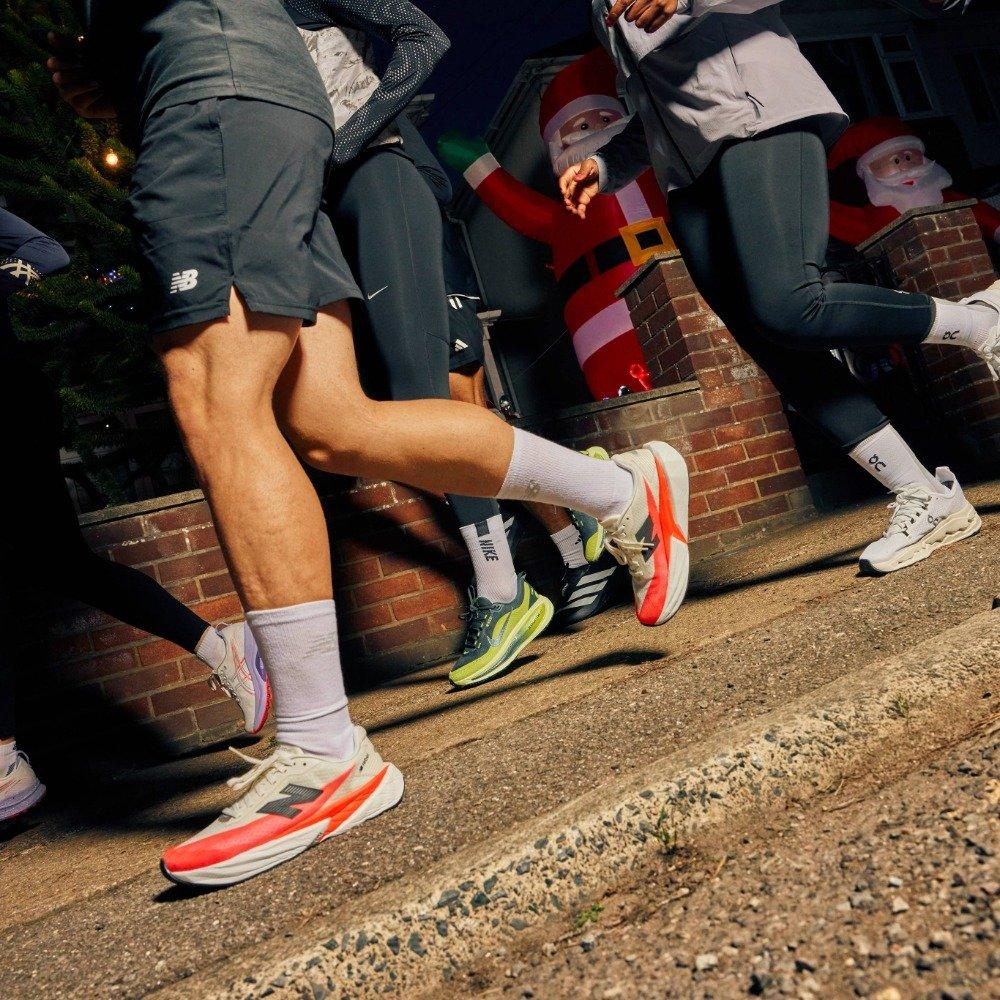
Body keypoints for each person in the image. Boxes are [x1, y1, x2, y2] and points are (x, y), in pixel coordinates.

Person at [49, 0, 690, 886]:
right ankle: (618, 493)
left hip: (217, 101)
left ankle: (323, 753)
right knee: (332, 423)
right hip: (249, 106)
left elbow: (415, 34)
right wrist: (120, 72)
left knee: (216, 393)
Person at [561, 0, 998, 576]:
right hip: (689, 176)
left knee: (791, 304)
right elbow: (659, 103)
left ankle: (981, 323)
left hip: (758, 119)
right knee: (776, 344)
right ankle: (924, 494)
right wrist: (605, 164)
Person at [304, 19, 618, 685]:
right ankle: (574, 519)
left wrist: (348, 142)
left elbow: (419, 38)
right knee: (428, 421)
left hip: (408, 207)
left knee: (451, 403)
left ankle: (551, 551)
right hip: (354, 216)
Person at [0, 207, 269, 823]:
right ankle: (219, 645)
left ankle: (4, 758)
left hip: (7, 405)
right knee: (62, 563)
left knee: (53, 564)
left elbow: (46, 253)